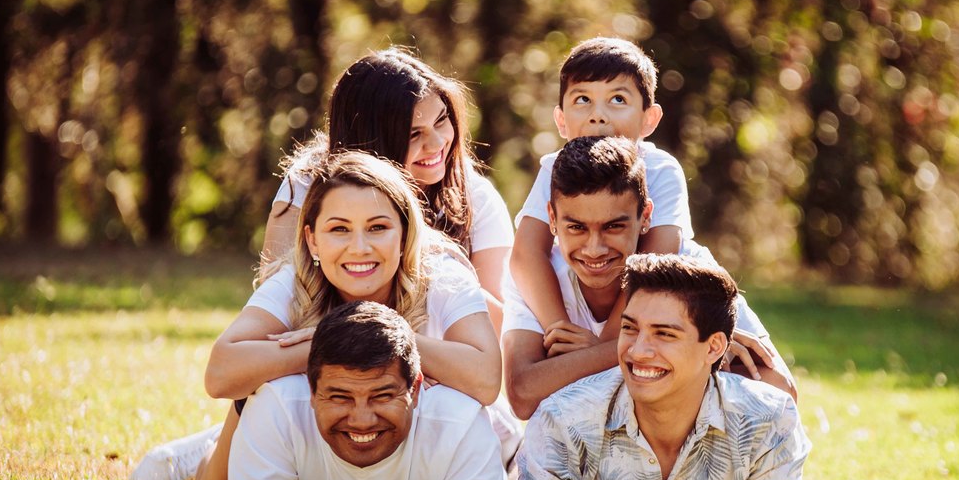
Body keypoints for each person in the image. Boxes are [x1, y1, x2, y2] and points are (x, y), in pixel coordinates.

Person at [130, 152, 513, 480]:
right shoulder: (296, 279)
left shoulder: (442, 274)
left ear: (404, 232)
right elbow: (219, 376)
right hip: (334, 421)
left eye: (378, 228)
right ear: (313, 240)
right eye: (339, 229)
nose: (359, 248)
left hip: (422, 431)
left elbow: (484, 379)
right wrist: (321, 345)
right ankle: (213, 443)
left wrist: (378, 334)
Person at [511, 254, 815, 480]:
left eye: (664, 334)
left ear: (714, 347)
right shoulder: (564, 416)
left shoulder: (766, 418)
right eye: (629, 328)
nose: (638, 351)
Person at [502, 136, 795, 420]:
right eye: (577, 228)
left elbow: (780, 391)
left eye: (613, 226)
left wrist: (590, 357)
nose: (594, 248)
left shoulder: (687, 265)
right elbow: (523, 394)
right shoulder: (537, 278)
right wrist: (681, 351)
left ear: (646, 217)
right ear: (552, 219)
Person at [228, 299, 511, 480]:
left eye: (382, 396)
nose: (362, 420)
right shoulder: (277, 406)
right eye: (340, 397)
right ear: (311, 391)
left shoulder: (460, 420)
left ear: (414, 389)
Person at [263, 49, 513, 325]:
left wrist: (422, 251)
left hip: (434, 359)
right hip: (326, 349)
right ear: (370, 141)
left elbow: (502, 327)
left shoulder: (474, 196)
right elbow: (274, 297)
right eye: (413, 134)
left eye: (441, 120)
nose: (436, 143)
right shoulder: (310, 182)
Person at [509, 37, 689, 344]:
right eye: (583, 100)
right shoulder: (555, 169)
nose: (598, 115)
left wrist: (604, 344)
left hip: (655, 307)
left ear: (649, 119)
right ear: (561, 121)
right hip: (583, 300)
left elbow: (654, 263)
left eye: (618, 99)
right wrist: (559, 328)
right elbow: (526, 253)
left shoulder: (660, 169)